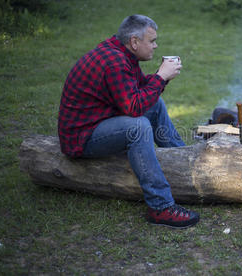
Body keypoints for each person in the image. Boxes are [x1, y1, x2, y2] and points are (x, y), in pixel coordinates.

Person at [58, 14, 200, 228]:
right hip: (82, 137)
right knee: (138, 127)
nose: (155, 45)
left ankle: (183, 161)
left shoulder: (122, 53)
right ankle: (160, 207)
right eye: (151, 41)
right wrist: (160, 77)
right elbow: (133, 108)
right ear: (134, 41)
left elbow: (141, 92)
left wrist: (161, 78)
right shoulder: (114, 61)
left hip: (102, 119)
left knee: (155, 104)